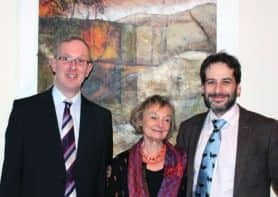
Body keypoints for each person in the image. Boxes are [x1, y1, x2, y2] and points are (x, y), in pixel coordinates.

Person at [0, 36, 113, 197]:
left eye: (80, 61)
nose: (73, 67)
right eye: (66, 59)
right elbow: (10, 179)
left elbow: (101, 183)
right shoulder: (24, 112)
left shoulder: (101, 119)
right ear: (53, 64)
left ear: (88, 69)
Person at [176, 52, 278, 197]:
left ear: (238, 88)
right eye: (211, 82)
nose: (218, 90)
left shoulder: (267, 130)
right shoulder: (188, 129)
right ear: (202, 89)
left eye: (226, 82)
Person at [106, 95, 187, 197]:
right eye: (154, 118)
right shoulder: (120, 163)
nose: (160, 125)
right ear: (140, 120)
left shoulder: (182, 161)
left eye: (166, 120)